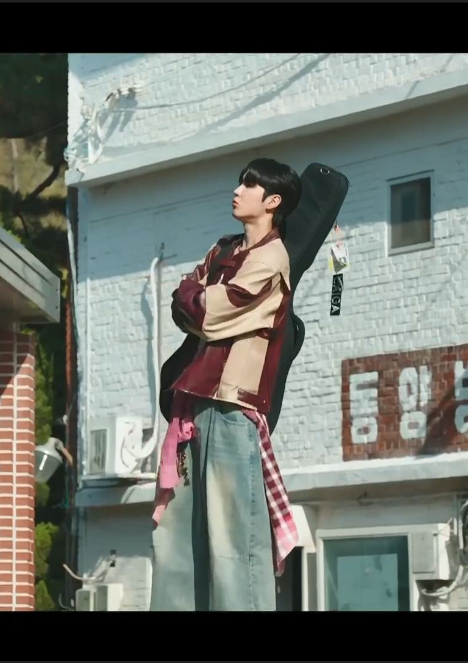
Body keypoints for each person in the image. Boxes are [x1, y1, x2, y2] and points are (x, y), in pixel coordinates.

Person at [150, 158, 303, 611]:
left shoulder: (272, 258)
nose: (238, 190)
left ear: (273, 201)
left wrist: (197, 299)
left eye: (250, 184)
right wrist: (195, 300)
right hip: (192, 403)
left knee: (234, 537)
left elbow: (208, 312)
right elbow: (184, 300)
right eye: (241, 182)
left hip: (233, 405)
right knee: (179, 538)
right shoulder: (222, 249)